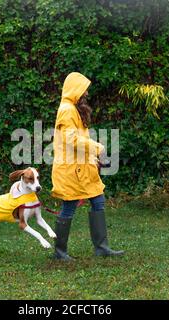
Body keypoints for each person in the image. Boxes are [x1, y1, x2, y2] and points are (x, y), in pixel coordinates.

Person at [51, 72, 124, 260]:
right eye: (84, 90)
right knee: (69, 206)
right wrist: (98, 148)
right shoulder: (67, 109)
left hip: (84, 167)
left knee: (98, 201)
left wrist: (94, 156)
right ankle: (60, 252)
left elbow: (82, 139)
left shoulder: (74, 108)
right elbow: (71, 140)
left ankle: (101, 247)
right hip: (71, 170)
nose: (86, 94)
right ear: (75, 89)